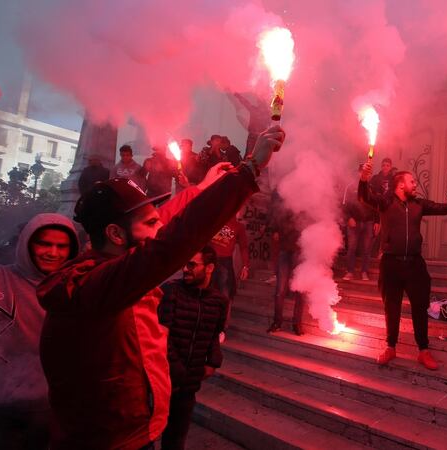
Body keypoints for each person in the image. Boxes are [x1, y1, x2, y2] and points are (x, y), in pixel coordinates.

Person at [36, 125, 284, 449]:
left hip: (139, 430)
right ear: (114, 234)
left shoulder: (117, 270)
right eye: (151, 225)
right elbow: (172, 241)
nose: (159, 228)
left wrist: (204, 188)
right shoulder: (98, 286)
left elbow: (167, 222)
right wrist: (249, 170)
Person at [0, 213, 79, 450]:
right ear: (26, 243)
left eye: (61, 246)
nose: (52, 253)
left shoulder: (78, 288)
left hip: (54, 411)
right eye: (44, 243)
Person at [359, 162, 447, 371]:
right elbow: (365, 197)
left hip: (415, 264)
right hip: (391, 264)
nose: (415, 184)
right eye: (412, 181)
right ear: (400, 185)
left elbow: (439, 208)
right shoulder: (385, 202)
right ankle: (391, 347)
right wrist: (363, 179)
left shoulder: (418, 204)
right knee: (392, 307)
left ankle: (423, 350)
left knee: (419, 307)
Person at [158, 246, 227, 450]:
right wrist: (176, 369)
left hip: (188, 386)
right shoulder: (171, 291)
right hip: (162, 381)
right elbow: (161, 335)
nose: (185, 269)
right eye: (184, 264)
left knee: (175, 440)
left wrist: (213, 361)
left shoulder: (218, 302)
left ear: (209, 268)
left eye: (192, 264)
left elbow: (215, 334)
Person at [266, 195, 305, 336]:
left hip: (299, 251)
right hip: (285, 249)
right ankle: (277, 322)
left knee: (300, 290)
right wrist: (275, 230)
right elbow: (276, 217)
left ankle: (297, 324)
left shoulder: (306, 203)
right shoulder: (284, 200)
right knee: (280, 290)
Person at [342, 163, 379, 281]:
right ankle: (350, 271)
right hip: (354, 222)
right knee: (352, 248)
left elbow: (377, 206)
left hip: (368, 222)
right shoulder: (350, 187)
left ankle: (364, 272)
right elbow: (344, 206)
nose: (367, 175)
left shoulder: (373, 188)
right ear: (359, 173)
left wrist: (377, 221)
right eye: (364, 172)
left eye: (369, 173)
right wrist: (348, 218)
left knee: (367, 249)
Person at [209, 214, 250, 303]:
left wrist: (245, 266)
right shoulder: (214, 219)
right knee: (208, 295)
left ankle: (223, 316)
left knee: (225, 297)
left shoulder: (238, 226)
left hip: (224, 262)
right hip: (209, 260)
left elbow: (244, 247)